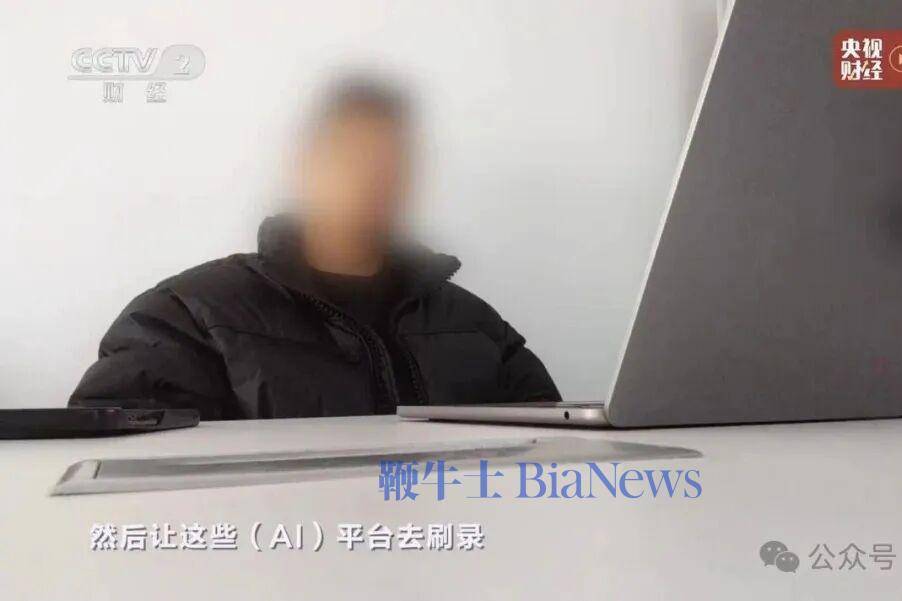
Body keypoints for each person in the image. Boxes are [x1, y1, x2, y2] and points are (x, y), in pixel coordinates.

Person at [69, 77, 560, 419]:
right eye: (351, 157)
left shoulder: (477, 326)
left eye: (394, 161)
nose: (375, 179)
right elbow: (113, 471)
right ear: (304, 168)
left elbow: (554, 455)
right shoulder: (185, 316)